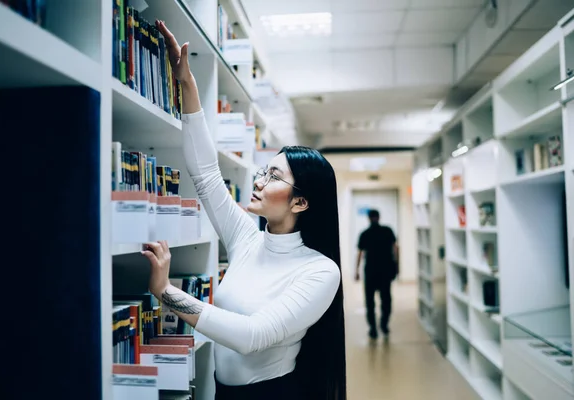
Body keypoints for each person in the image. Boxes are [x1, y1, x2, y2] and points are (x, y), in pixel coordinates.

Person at [140, 20, 347, 400]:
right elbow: (205, 174)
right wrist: (186, 83)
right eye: (264, 170)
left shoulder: (320, 271)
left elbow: (252, 337)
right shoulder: (248, 240)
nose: (258, 181)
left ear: (300, 202)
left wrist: (166, 292)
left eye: (274, 177)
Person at [355, 209, 398, 339]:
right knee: (386, 300)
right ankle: (384, 325)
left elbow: (360, 253)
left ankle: (373, 328)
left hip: (371, 272)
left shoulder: (365, 234)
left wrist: (356, 271)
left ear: (368, 218)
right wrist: (397, 266)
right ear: (379, 217)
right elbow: (395, 249)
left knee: (370, 301)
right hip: (385, 271)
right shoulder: (387, 231)